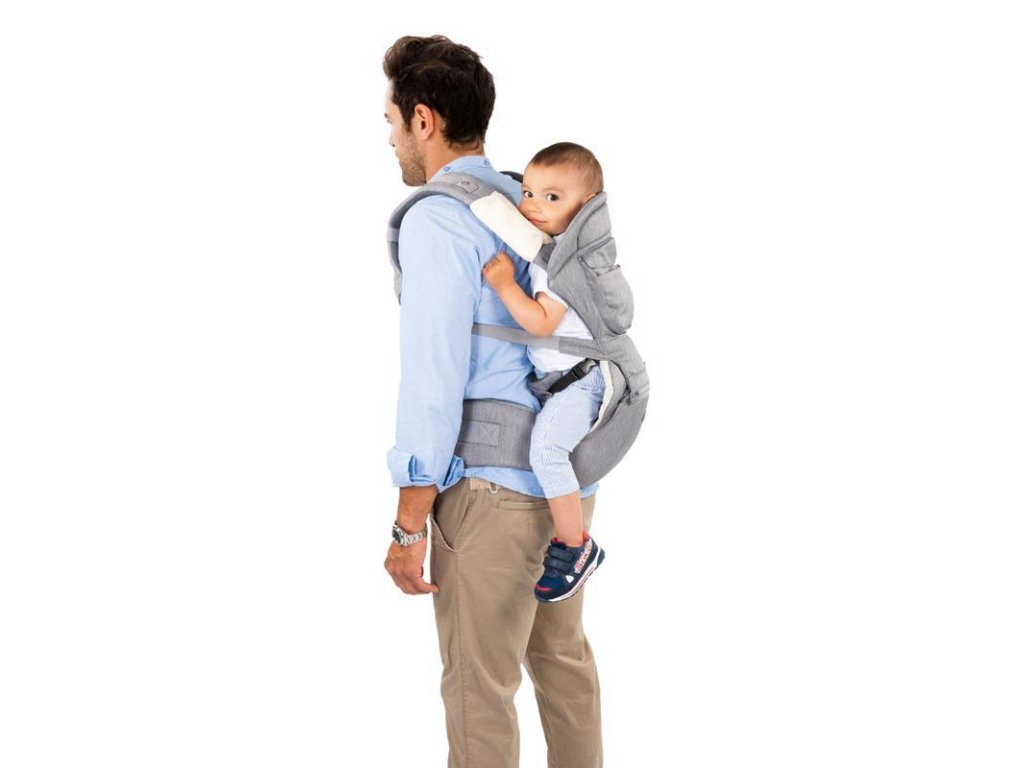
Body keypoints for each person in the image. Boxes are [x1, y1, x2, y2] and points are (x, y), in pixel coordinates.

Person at [381, 35, 603, 767]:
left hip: (487, 494)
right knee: (563, 669)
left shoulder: (439, 217)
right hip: (564, 481)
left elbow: (434, 377)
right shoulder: (528, 202)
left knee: (480, 694)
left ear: (423, 119)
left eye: (391, 121)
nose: (390, 137)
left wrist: (409, 524)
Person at [480, 143, 608, 603]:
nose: (533, 205)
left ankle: (577, 547)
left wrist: (504, 286)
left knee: (548, 452)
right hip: (565, 380)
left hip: (580, 380)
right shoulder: (553, 251)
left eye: (552, 197)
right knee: (551, 451)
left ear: (585, 208)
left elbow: (540, 323)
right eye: (529, 193)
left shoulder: (563, 266)